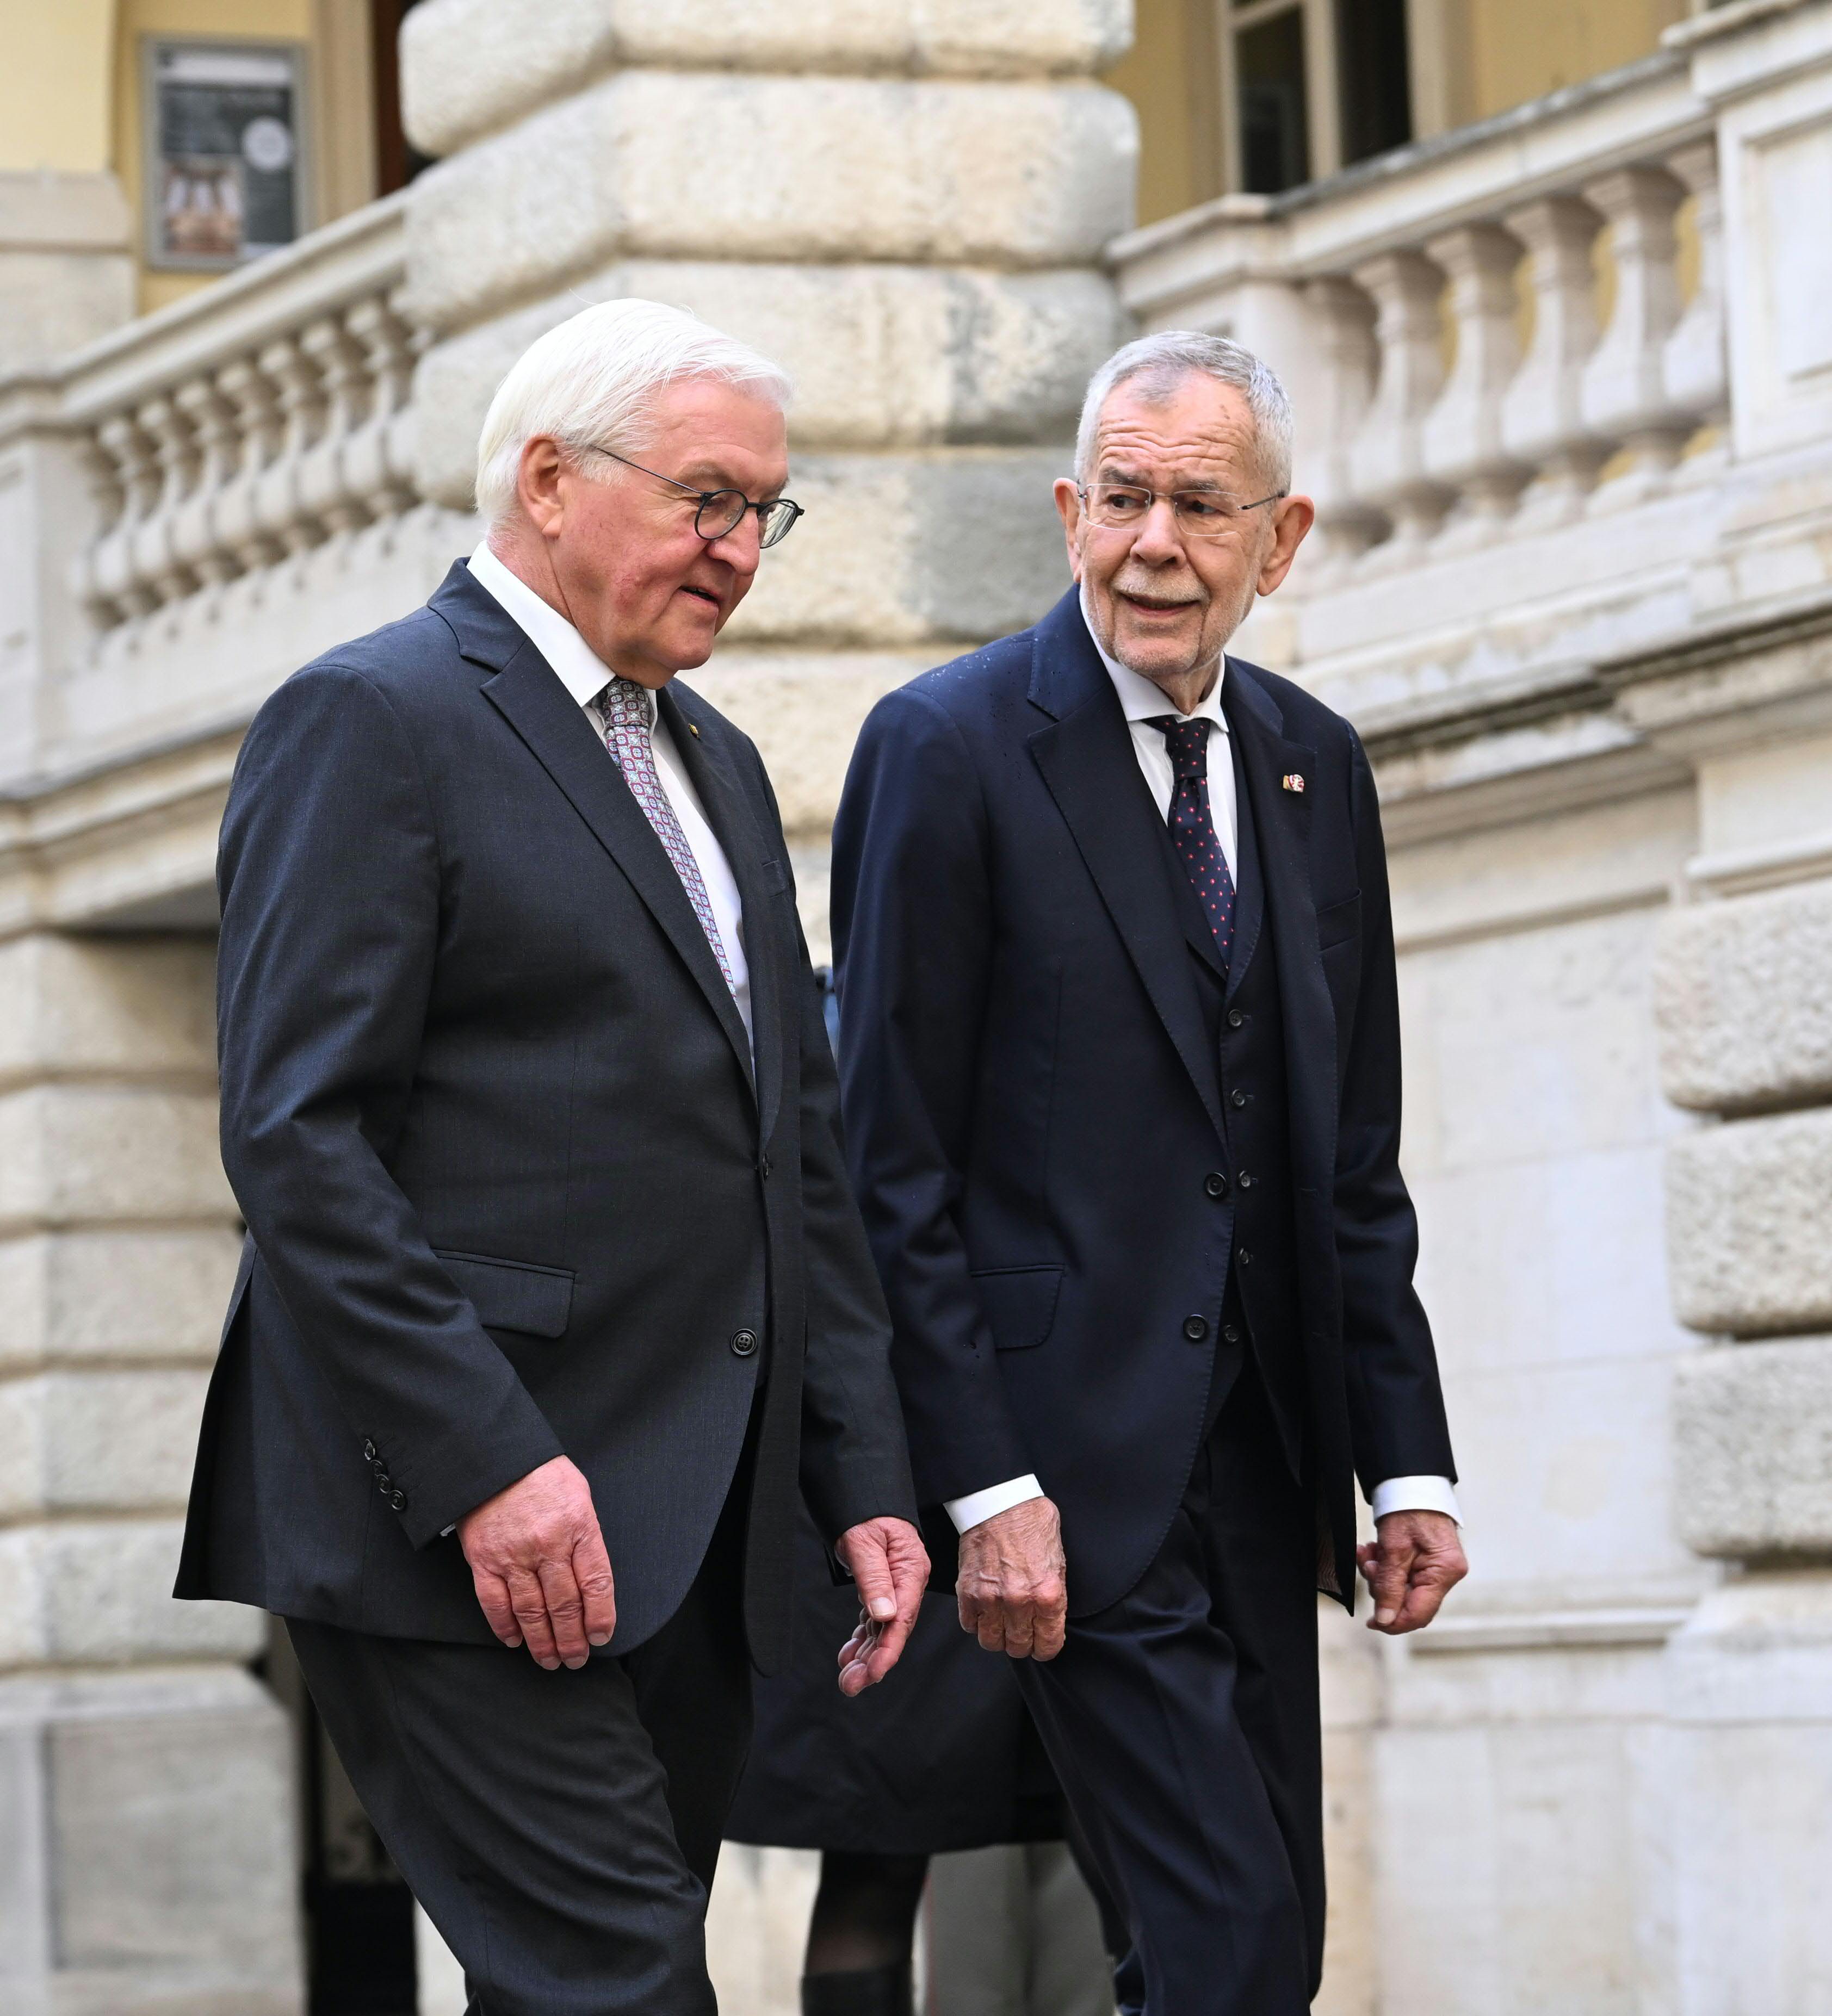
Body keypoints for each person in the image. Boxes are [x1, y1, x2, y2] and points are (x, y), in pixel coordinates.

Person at [175, 299, 928, 2016]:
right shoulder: (370, 717)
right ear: (547, 479)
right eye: (709, 500)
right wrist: (486, 1462)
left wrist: (861, 1467)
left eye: (765, 513)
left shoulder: (720, 763)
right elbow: (297, 1138)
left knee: (575, 1987)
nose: (743, 551)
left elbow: (792, 1150)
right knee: (624, 1987)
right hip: (452, 1519)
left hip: (696, 1526)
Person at [830, 331, 1469, 2016]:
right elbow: (888, 1158)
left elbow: (1352, 1157)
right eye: (1121, 498)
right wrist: (983, 1485)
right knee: (1227, 1942)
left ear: (1284, 535)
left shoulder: (1315, 763)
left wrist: (1410, 1465)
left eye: (1199, 504)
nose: (1154, 544)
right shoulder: (944, 745)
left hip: (1272, 1473)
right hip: (1065, 1483)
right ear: (1067, 510)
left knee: (1254, 1949)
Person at [725, 976, 1110, 2016]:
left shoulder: (841, 1026)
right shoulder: (875, 1030)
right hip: (887, 1500)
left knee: (887, 1859)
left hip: (940, 1485)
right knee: (881, 1853)